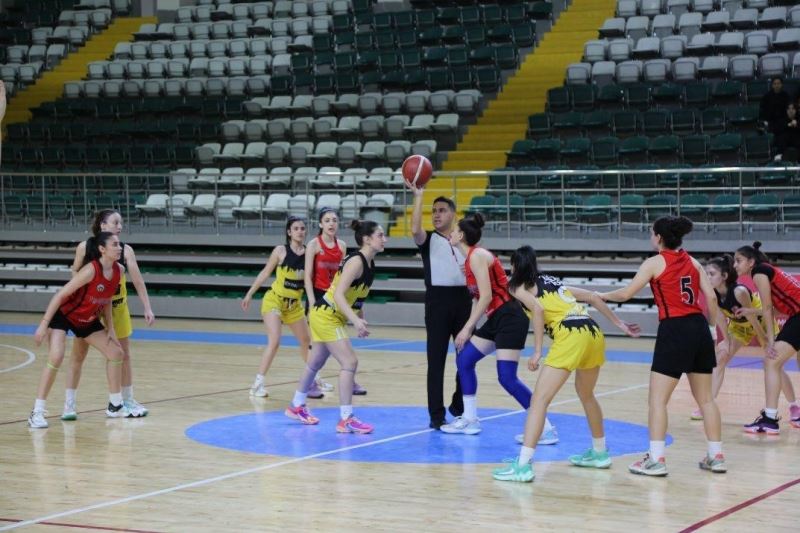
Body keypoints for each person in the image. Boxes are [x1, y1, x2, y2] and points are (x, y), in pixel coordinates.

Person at [492, 246, 640, 482]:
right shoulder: (553, 282)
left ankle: (522, 466)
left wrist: (538, 351)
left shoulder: (516, 286)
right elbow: (592, 296)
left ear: (515, 266)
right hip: (592, 332)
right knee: (586, 394)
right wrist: (618, 323)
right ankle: (600, 453)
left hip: (571, 335)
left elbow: (538, 310)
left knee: (539, 400)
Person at [599, 216, 726, 476]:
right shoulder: (693, 262)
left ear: (658, 237)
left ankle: (656, 460)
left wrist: (599, 295)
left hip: (674, 329)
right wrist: (712, 329)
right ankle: (716, 456)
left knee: (657, 400)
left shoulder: (655, 262)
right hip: (700, 328)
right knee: (706, 399)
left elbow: (625, 294)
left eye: (651, 233)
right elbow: (711, 298)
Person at [439, 214, 557, 442]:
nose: (450, 233)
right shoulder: (470, 261)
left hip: (510, 317)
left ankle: (546, 427)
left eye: (454, 230)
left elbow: (486, 297)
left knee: (507, 378)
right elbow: (479, 298)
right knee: (464, 360)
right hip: (498, 318)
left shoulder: (477, 256)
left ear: (461, 235)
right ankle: (470, 418)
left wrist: (467, 328)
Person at [285, 220, 387, 433]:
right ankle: (346, 418)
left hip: (330, 316)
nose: (384, 239)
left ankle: (296, 405)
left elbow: (356, 299)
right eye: (380, 235)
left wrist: (360, 318)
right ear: (367, 239)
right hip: (326, 315)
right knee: (350, 362)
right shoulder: (356, 261)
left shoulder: (370, 264)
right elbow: (339, 294)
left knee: (315, 362)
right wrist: (355, 320)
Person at [61, 210, 154, 420]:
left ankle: (125, 400)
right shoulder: (85, 247)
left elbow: (138, 280)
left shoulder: (125, 250)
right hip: (90, 308)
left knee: (123, 354)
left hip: (116, 307)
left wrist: (147, 307)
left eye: (121, 223)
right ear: (103, 225)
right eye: (115, 222)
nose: (120, 226)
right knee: (78, 355)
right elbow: (74, 272)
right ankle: (69, 405)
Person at [29, 232, 128, 428]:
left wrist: (111, 329)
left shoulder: (119, 270)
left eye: (120, 244)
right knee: (56, 356)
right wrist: (43, 323)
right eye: (115, 244)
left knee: (116, 353)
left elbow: (107, 299)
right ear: (102, 249)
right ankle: (37, 412)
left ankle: (115, 405)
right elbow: (61, 295)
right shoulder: (91, 270)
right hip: (64, 314)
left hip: (87, 318)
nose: (120, 247)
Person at [691, 255, 798, 422]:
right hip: (739, 327)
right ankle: (707, 404)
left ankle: (794, 406)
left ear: (724, 276)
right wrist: (726, 340)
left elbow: (753, 318)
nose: (707, 277)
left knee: (774, 363)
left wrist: (764, 342)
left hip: (759, 322)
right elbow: (719, 317)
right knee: (720, 358)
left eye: (711, 274)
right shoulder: (711, 292)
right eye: (706, 273)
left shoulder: (739, 292)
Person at [409, 185, 471, 429]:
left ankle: (458, 406)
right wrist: (418, 197)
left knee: (466, 358)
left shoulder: (466, 239)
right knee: (436, 362)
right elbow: (414, 229)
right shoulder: (428, 239)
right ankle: (436, 415)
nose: (436, 215)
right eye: (433, 211)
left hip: (464, 301)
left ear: (453, 214)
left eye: (442, 210)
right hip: (437, 303)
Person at [242, 216, 313, 398]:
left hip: (294, 305)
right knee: (274, 341)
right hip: (275, 300)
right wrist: (250, 293)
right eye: (296, 228)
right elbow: (265, 272)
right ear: (289, 232)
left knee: (306, 341)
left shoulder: (310, 253)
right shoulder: (280, 251)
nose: (300, 231)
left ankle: (313, 380)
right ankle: (257, 384)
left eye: (302, 228)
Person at [735, 242, 800, 433]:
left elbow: (769, 307)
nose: (735, 265)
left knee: (771, 361)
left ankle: (770, 419)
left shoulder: (760, 271)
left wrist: (771, 341)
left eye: (738, 261)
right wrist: (750, 310)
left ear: (751, 262)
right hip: (796, 315)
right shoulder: (767, 270)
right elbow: (778, 308)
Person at [304, 207, 364, 396]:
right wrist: (313, 302)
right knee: (316, 344)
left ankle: (349, 378)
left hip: (335, 298)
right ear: (321, 224)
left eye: (334, 220)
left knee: (338, 341)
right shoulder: (314, 244)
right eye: (327, 220)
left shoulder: (342, 246)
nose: (331, 223)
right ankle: (313, 383)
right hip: (318, 297)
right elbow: (307, 277)